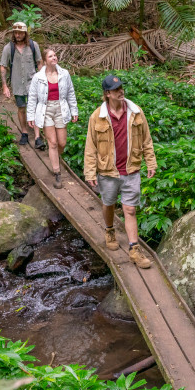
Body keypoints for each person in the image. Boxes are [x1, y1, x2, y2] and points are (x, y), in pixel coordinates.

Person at [83, 74, 157, 269]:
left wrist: (151, 162)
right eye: (116, 90)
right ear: (107, 94)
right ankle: (109, 230)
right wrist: (90, 172)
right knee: (108, 204)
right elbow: (90, 147)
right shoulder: (97, 116)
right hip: (107, 171)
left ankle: (134, 249)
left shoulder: (136, 112)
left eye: (121, 88)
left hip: (131, 169)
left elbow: (146, 140)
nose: (120, 91)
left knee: (130, 209)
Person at [26, 49, 78, 189]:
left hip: (61, 108)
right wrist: (30, 116)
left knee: (62, 142)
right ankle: (57, 172)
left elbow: (70, 93)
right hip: (46, 109)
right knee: (53, 143)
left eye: (55, 55)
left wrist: (74, 110)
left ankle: (55, 157)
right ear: (45, 60)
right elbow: (32, 97)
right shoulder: (38, 77)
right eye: (51, 56)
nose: (54, 58)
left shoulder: (64, 73)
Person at [0, 21, 43, 145]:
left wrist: (43, 79)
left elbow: (39, 62)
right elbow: (3, 66)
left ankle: (37, 137)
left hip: (33, 82)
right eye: (16, 33)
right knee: (21, 108)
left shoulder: (33, 46)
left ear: (25, 33)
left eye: (20, 33)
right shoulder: (9, 48)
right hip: (17, 83)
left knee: (34, 108)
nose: (18, 35)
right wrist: (4, 86)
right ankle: (24, 132)